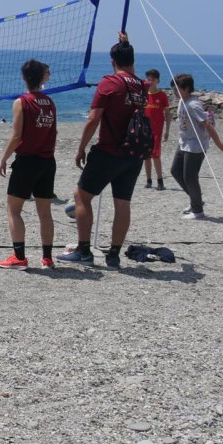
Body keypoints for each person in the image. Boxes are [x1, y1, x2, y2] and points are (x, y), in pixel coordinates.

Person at [57, 32, 147, 269]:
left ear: (111, 61)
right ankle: (114, 255)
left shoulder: (109, 82)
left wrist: (81, 148)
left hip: (109, 151)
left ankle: (84, 251)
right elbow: (130, 76)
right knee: (122, 203)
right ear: (132, 60)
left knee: (81, 197)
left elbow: (93, 118)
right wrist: (125, 44)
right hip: (134, 154)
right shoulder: (142, 86)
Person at [0, 60, 57, 270]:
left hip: (27, 161)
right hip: (47, 162)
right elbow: (52, 133)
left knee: (13, 210)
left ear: (24, 77)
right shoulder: (49, 102)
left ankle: (19, 257)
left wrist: (4, 158)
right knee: (45, 212)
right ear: (42, 78)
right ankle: (47, 258)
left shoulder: (22, 102)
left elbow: (16, 136)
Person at [171, 74, 223, 220]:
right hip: (184, 142)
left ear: (186, 89)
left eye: (176, 88)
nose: (174, 91)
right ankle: (195, 200)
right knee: (175, 171)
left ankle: (198, 211)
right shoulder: (181, 101)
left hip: (195, 145)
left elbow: (207, 124)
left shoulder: (193, 104)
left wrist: (219, 144)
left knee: (190, 177)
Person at [142, 69, 171, 190]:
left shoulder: (162, 95)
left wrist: (167, 130)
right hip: (144, 130)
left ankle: (160, 181)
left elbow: (167, 113)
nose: (150, 81)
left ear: (158, 80)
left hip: (157, 130)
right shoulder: (143, 95)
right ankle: (149, 180)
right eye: (148, 79)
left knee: (156, 155)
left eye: (153, 79)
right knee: (146, 156)